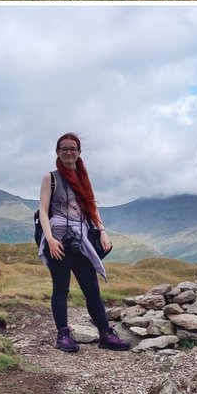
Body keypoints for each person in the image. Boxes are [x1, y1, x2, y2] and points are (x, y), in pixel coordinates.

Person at [38, 133, 130, 352]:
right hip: (58, 239)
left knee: (92, 289)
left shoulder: (84, 178)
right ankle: (63, 335)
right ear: (57, 152)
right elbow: (42, 210)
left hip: (83, 237)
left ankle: (105, 334)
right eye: (64, 148)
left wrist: (103, 231)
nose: (69, 152)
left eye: (73, 148)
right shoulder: (50, 178)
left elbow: (92, 208)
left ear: (79, 152)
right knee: (61, 288)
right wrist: (49, 239)